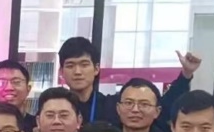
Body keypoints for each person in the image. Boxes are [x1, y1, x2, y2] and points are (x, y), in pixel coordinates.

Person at [57, 37, 199, 126]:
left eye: (84, 64)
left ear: (96, 69)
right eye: (70, 65)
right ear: (61, 72)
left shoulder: (113, 106)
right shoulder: (54, 109)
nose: (77, 71)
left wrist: (186, 74)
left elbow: (162, 106)